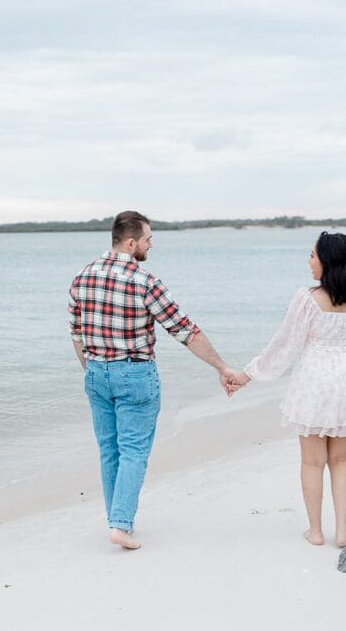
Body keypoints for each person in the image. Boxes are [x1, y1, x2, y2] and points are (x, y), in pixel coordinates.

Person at [69, 211, 239, 550]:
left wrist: (91, 369)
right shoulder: (144, 281)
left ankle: (116, 518)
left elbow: (76, 334)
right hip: (134, 372)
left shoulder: (82, 277)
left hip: (96, 372)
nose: (150, 246)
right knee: (133, 450)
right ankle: (120, 525)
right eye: (148, 240)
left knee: (109, 450)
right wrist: (222, 367)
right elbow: (185, 331)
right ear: (131, 243)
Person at [228, 231, 346, 548]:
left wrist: (247, 374)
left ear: (328, 261)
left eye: (312, 255)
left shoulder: (307, 298)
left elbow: (284, 345)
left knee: (312, 461)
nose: (308, 261)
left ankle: (316, 531)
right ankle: (343, 531)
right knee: (341, 460)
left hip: (317, 378)